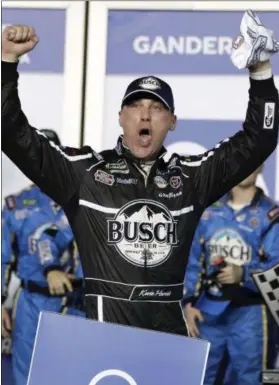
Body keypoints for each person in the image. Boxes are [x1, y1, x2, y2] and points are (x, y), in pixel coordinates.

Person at [1, 17, 278, 336]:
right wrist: (7, 61)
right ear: (121, 117)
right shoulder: (85, 172)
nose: (145, 114)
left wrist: (260, 71)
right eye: (135, 105)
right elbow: (11, 132)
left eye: (156, 107)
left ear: (172, 121)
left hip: (168, 347)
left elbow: (260, 138)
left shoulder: (192, 177)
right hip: (104, 342)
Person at [182, 167, 279, 385]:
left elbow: (277, 271)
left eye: (255, 160)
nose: (249, 166)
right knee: (200, 378)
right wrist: (188, 303)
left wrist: (243, 273)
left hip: (252, 314)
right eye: (245, 160)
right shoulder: (208, 211)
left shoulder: (271, 215)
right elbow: (192, 262)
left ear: (263, 165)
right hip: (207, 312)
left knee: (252, 379)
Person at [2, 202, 85, 385]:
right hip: (74, 303)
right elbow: (47, 235)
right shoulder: (83, 212)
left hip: (121, 306)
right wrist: (51, 268)